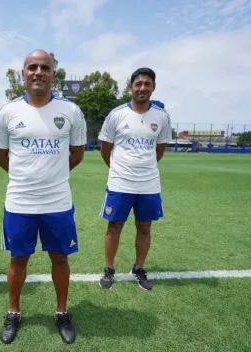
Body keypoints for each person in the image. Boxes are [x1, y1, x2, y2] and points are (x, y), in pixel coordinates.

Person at [0, 49, 87, 345]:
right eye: (32, 67)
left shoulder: (71, 111)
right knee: (18, 258)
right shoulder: (7, 112)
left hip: (57, 202)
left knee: (59, 258)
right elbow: (1, 156)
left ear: (52, 74)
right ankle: (13, 312)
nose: (38, 72)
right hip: (19, 202)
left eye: (44, 67)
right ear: (23, 73)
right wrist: (26, 177)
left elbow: (77, 154)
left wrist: (52, 175)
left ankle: (61, 312)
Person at [97, 67, 172, 291]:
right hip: (120, 183)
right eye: (138, 84)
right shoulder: (117, 115)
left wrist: (143, 168)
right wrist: (120, 170)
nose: (142, 88)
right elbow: (105, 150)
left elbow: (159, 150)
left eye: (147, 84)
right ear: (131, 87)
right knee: (115, 226)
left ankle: (138, 268)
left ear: (153, 88)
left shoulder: (161, 116)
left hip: (148, 184)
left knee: (145, 227)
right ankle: (109, 269)